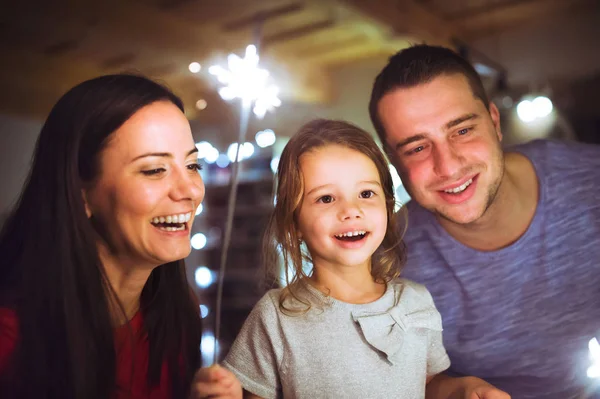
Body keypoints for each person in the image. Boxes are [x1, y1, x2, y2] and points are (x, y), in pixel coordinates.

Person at [211, 119, 509, 398]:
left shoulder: (417, 301)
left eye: (366, 193)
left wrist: (464, 389)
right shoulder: (275, 317)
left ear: (388, 206)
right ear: (294, 224)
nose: (351, 210)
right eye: (326, 198)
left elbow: (427, 385)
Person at [369, 44, 600, 398]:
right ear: (393, 162)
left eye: (461, 130)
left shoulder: (590, 183)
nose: (447, 167)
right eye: (416, 147)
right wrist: (452, 390)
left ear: (494, 121)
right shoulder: (386, 260)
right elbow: (397, 378)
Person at [0, 74, 238, 399]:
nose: (191, 191)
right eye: (154, 169)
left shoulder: (179, 318)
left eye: (193, 165)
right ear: (81, 194)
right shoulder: (10, 339)